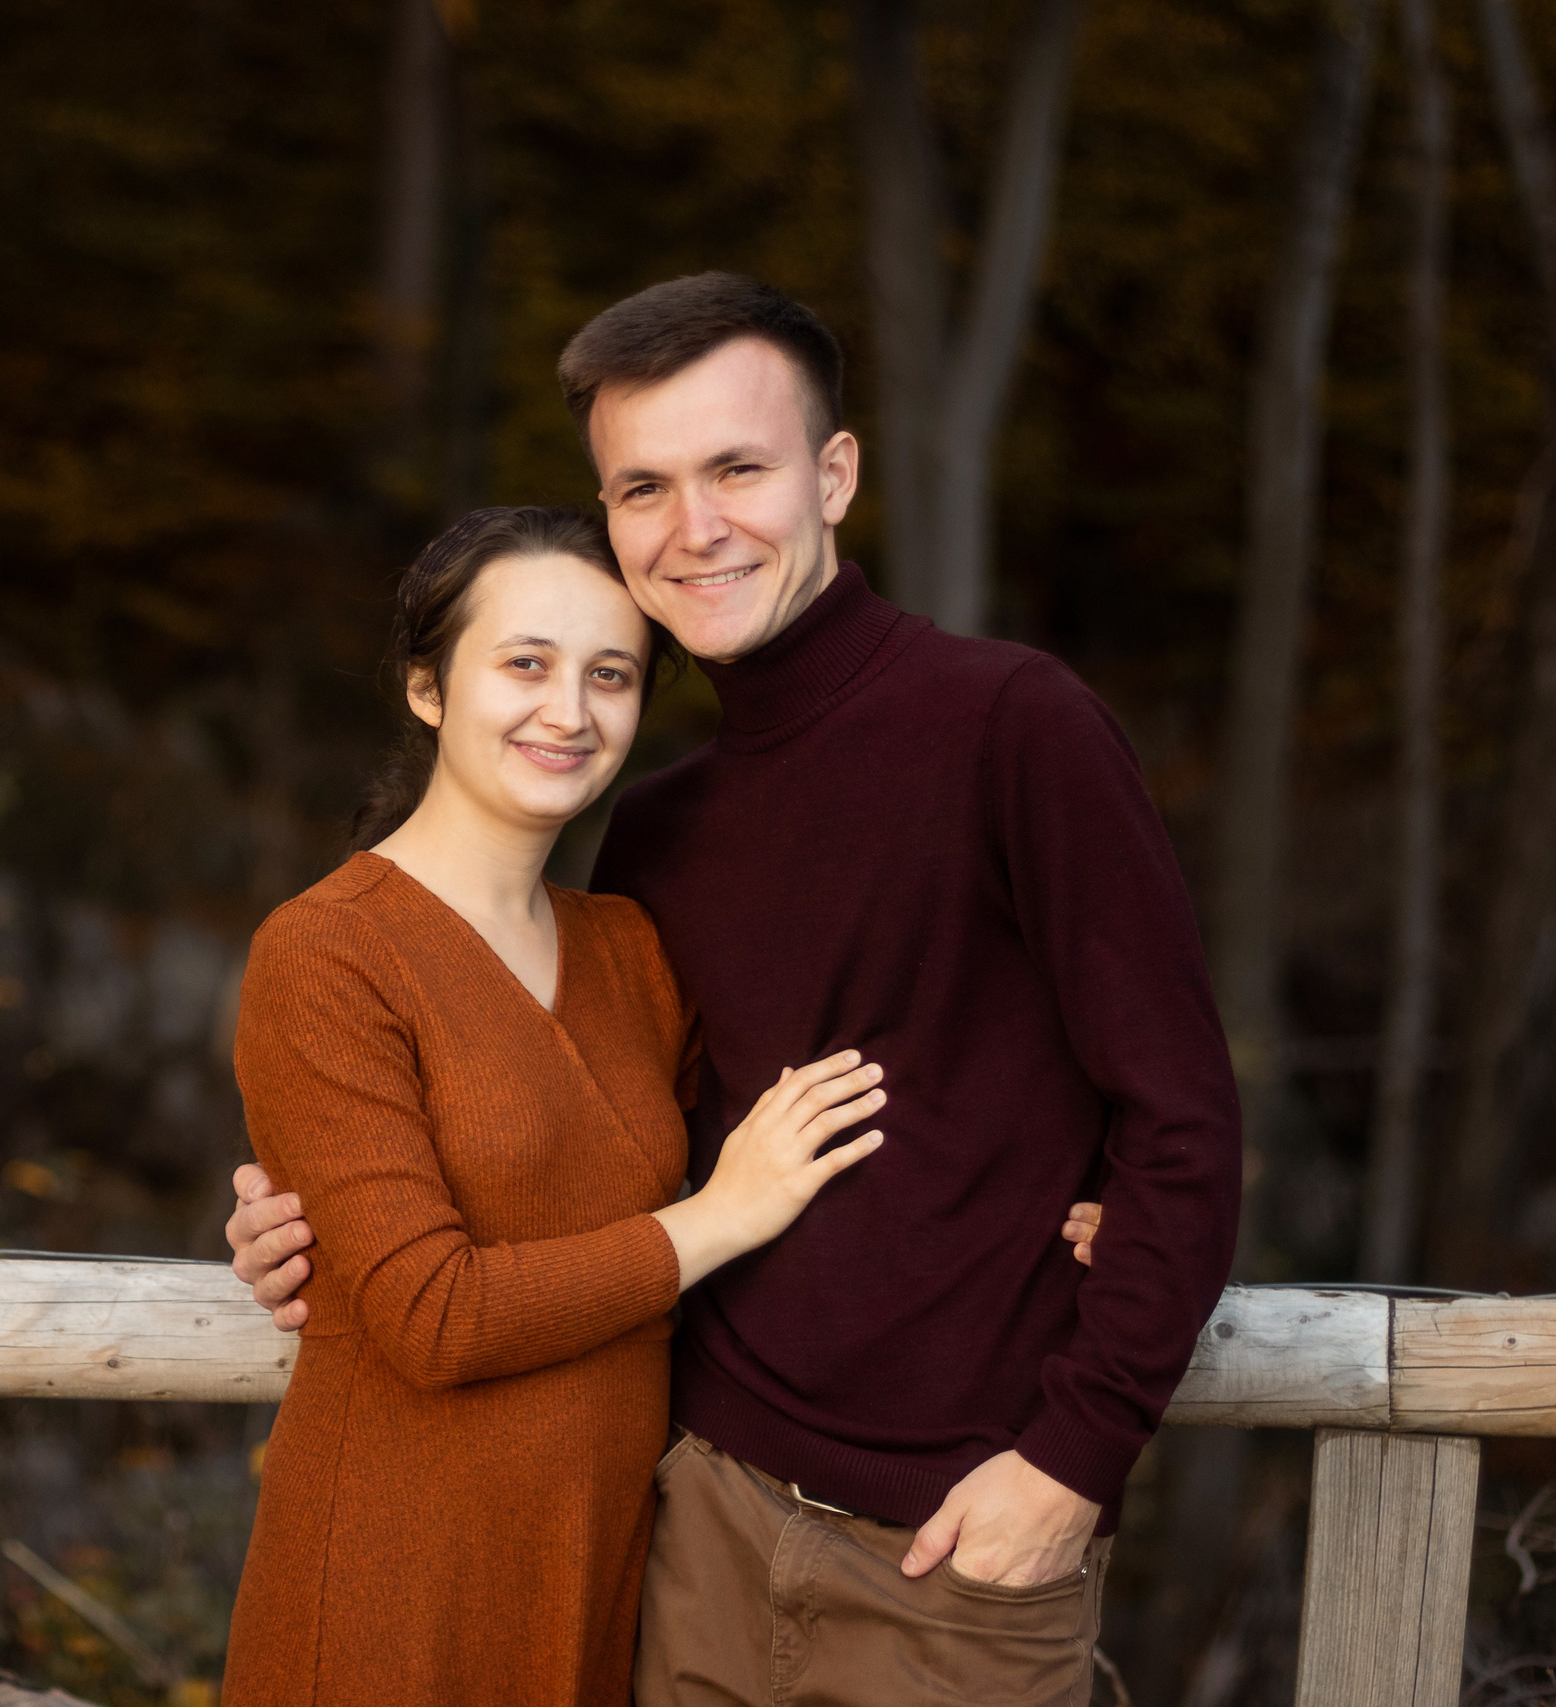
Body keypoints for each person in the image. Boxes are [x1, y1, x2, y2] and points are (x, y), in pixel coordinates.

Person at [230, 274, 1242, 1706]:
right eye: (643, 485)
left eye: (737, 468)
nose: (692, 526)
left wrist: (1076, 1455)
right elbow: (597, 1145)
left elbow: (1184, 1119)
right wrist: (313, 1212)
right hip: (689, 1523)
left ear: (835, 474)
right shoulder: (657, 833)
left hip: (953, 1549)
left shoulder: (1015, 727)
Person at [220, 505, 897, 1707]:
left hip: (595, 1569)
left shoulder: (631, 947)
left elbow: (827, 1131)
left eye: (611, 675)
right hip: (397, 1575)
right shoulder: (325, 954)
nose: (569, 712)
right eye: (524, 664)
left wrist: (1083, 1190)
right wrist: (718, 1218)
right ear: (428, 687)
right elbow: (430, 1315)